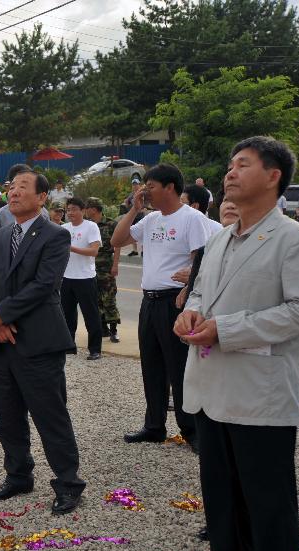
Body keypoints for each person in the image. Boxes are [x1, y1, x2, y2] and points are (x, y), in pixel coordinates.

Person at [175, 136, 299, 551]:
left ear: (274, 178)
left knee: (268, 507)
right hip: (210, 392)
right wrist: (191, 315)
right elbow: (199, 292)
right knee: (223, 505)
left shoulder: (294, 239)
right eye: (230, 164)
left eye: (244, 165)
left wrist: (225, 329)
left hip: (258, 395)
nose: (230, 172)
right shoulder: (220, 238)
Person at [0, 170, 85, 514]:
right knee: (7, 416)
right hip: (3, 341)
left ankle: (68, 483)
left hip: (38, 340)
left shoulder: (55, 235)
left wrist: (1, 315)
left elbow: (44, 285)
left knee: (49, 414)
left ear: (42, 197)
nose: (14, 192)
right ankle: (18, 474)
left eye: (23, 187)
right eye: (11, 187)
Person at [111, 163, 210, 450]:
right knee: (151, 365)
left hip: (175, 302)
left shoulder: (192, 219)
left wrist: (190, 286)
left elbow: (202, 259)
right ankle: (154, 426)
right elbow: (117, 240)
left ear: (169, 187)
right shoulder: (151, 220)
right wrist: (134, 209)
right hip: (150, 301)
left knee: (178, 367)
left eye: (151, 186)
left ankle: (190, 430)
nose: (146, 191)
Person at [60, 197, 103, 360]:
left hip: (85, 277)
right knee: (67, 314)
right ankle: (69, 346)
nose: (70, 213)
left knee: (91, 314)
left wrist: (71, 248)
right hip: (66, 277)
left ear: (83, 210)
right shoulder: (63, 228)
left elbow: (93, 251)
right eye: (68, 209)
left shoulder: (91, 227)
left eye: (73, 209)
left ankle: (95, 349)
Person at [85, 198, 121, 343]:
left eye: (87, 207)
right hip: (90, 267)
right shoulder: (87, 225)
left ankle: (114, 330)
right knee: (96, 299)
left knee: (109, 298)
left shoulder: (111, 224)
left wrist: (115, 265)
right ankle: (103, 328)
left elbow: (117, 245)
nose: (85, 210)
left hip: (106, 266)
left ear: (94, 209)